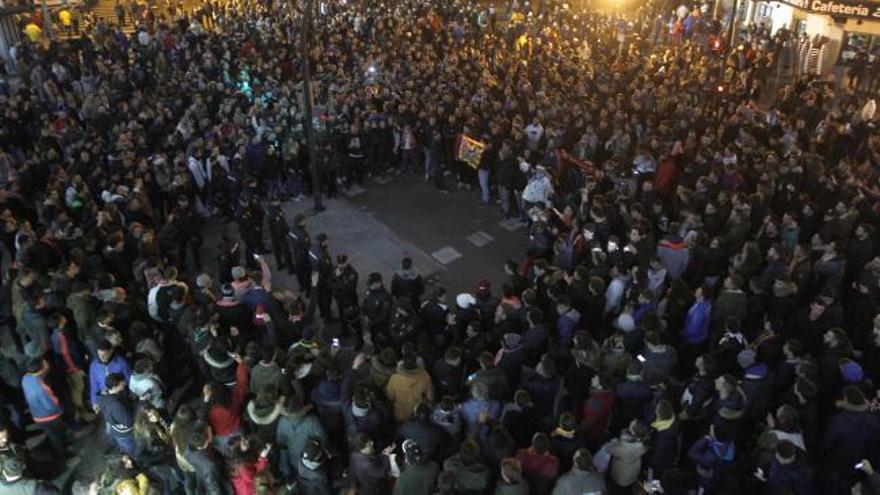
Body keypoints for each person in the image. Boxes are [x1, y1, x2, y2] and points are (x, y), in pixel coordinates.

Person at [96, 373, 136, 457]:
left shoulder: (103, 397)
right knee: (132, 452)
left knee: (123, 448)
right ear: (114, 387)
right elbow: (128, 422)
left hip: (115, 431)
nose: (125, 383)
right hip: (125, 435)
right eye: (122, 383)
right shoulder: (117, 405)